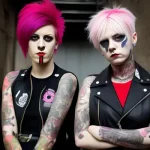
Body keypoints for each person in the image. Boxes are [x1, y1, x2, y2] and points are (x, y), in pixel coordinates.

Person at [1, 0, 79, 149]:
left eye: (48, 38)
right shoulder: (11, 79)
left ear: (56, 43)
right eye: (34, 37)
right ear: (26, 41)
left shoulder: (67, 80)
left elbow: (49, 137)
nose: (41, 44)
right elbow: (8, 134)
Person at [75, 6, 150, 150]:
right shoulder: (90, 84)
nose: (111, 47)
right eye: (104, 42)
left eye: (118, 37)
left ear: (133, 38)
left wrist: (100, 132)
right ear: (101, 50)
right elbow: (80, 139)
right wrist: (140, 141)